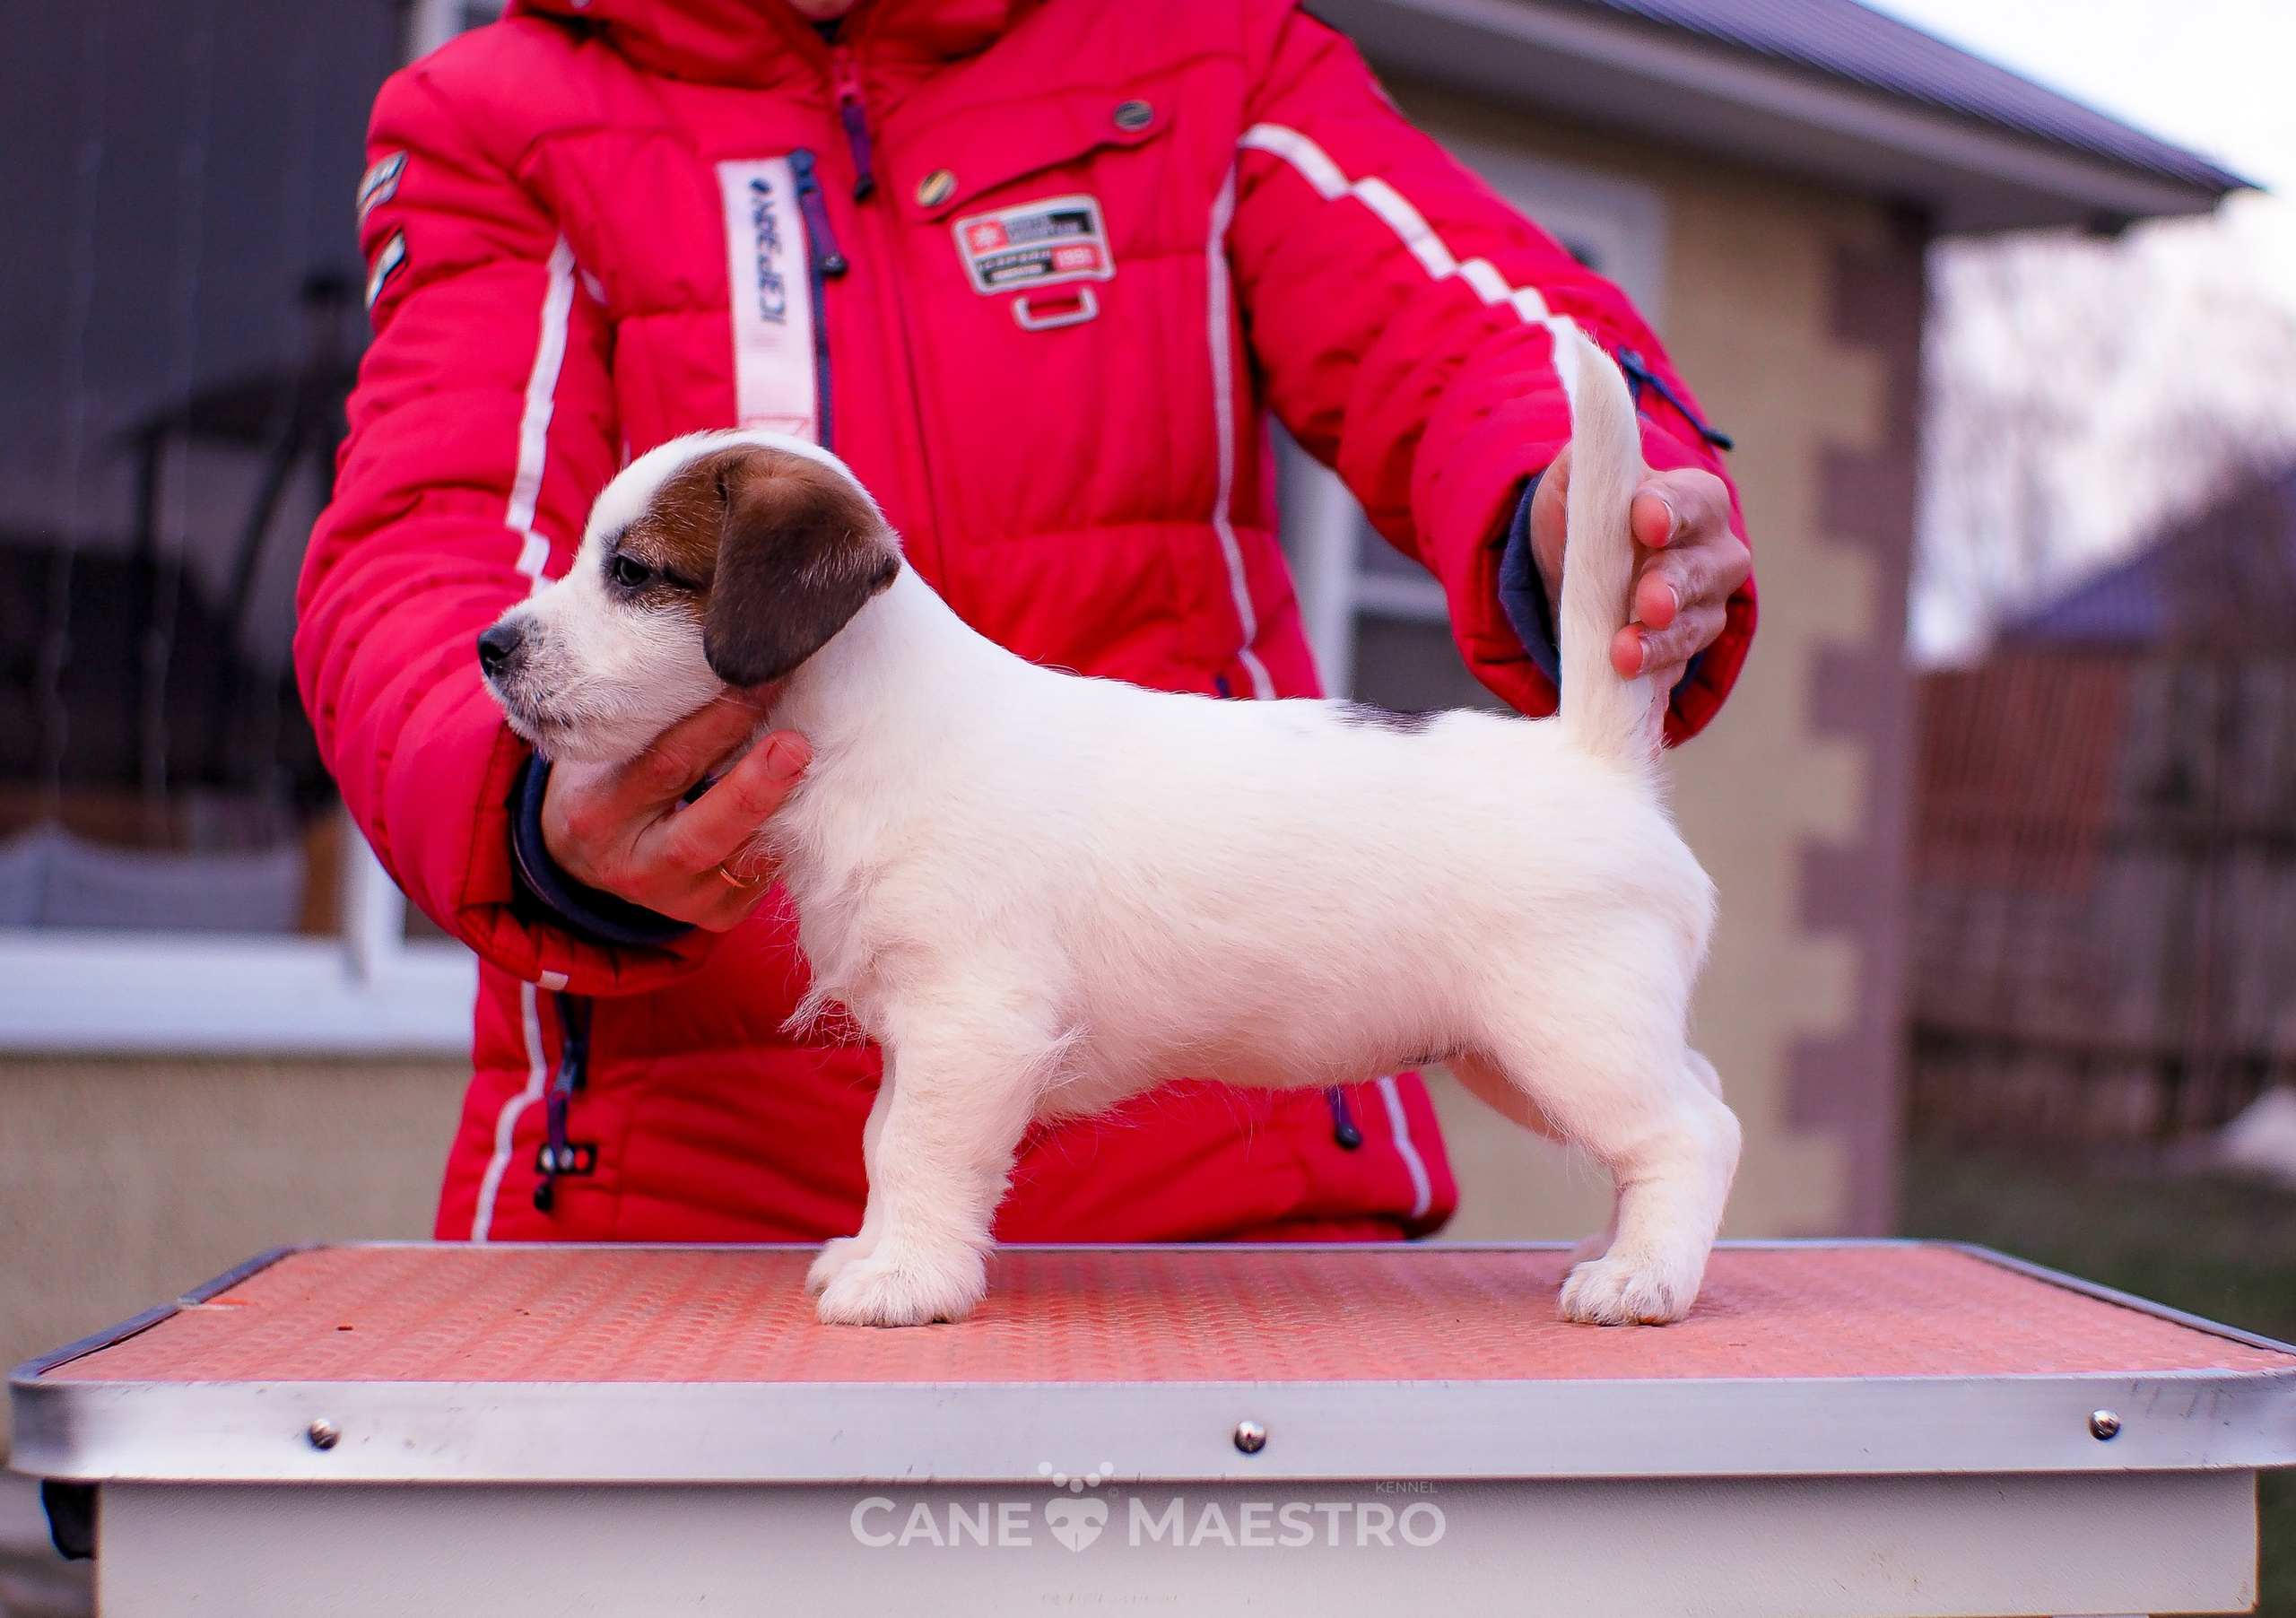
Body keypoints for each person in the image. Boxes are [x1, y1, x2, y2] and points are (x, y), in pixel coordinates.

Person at [298, 0, 1754, 1248]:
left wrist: (1582, 510)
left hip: (1238, 1206)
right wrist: (521, 802)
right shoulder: (502, 115)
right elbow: (428, 533)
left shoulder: (1203, 44)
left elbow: (1469, 320)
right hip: (674, 1208)